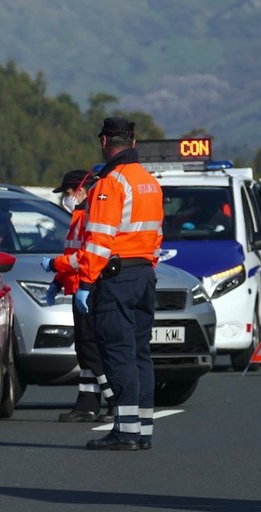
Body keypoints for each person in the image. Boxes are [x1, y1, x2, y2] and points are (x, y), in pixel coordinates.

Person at [74, 117, 163, 451]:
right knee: (141, 353)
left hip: (117, 277)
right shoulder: (149, 182)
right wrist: (146, 267)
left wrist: (85, 282)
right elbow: (157, 236)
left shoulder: (111, 183)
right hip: (144, 274)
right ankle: (142, 429)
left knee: (118, 353)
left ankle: (126, 432)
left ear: (104, 142)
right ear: (134, 142)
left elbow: (98, 241)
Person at [41, 169, 115, 422]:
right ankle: (87, 403)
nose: (67, 198)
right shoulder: (79, 216)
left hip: (90, 287)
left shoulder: (90, 217)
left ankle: (114, 399)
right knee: (85, 351)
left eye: (69, 192)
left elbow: (85, 257)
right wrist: (58, 281)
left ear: (81, 190)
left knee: (92, 349)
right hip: (77, 286)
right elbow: (74, 253)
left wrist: (55, 265)